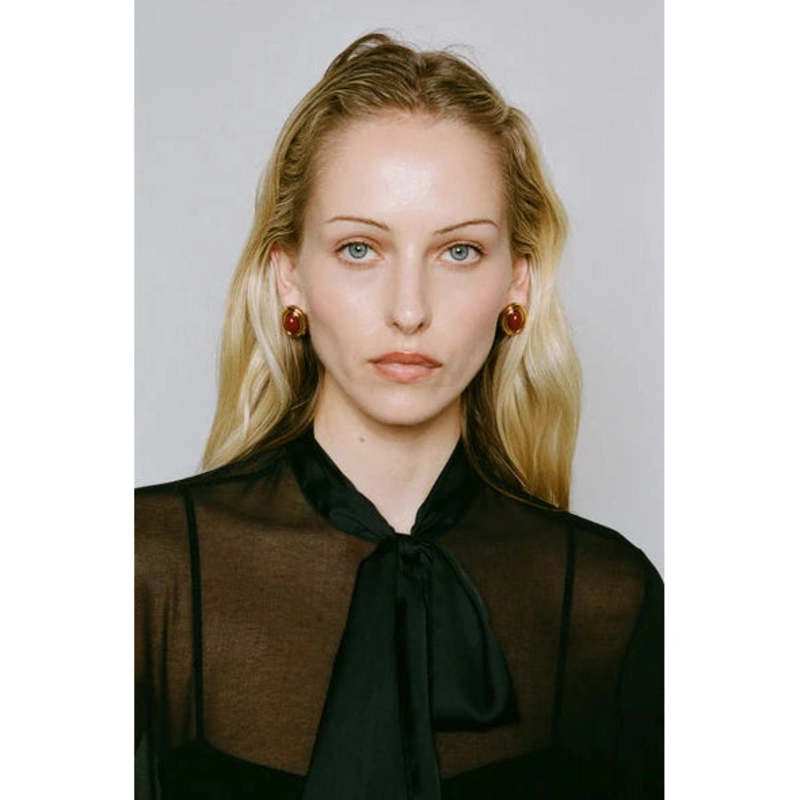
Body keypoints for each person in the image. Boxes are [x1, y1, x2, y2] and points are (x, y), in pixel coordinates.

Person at [135, 31, 663, 799]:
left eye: (459, 252)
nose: (409, 310)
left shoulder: (606, 599)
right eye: (359, 248)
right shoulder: (145, 571)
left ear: (517, 283)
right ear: (289, 277)